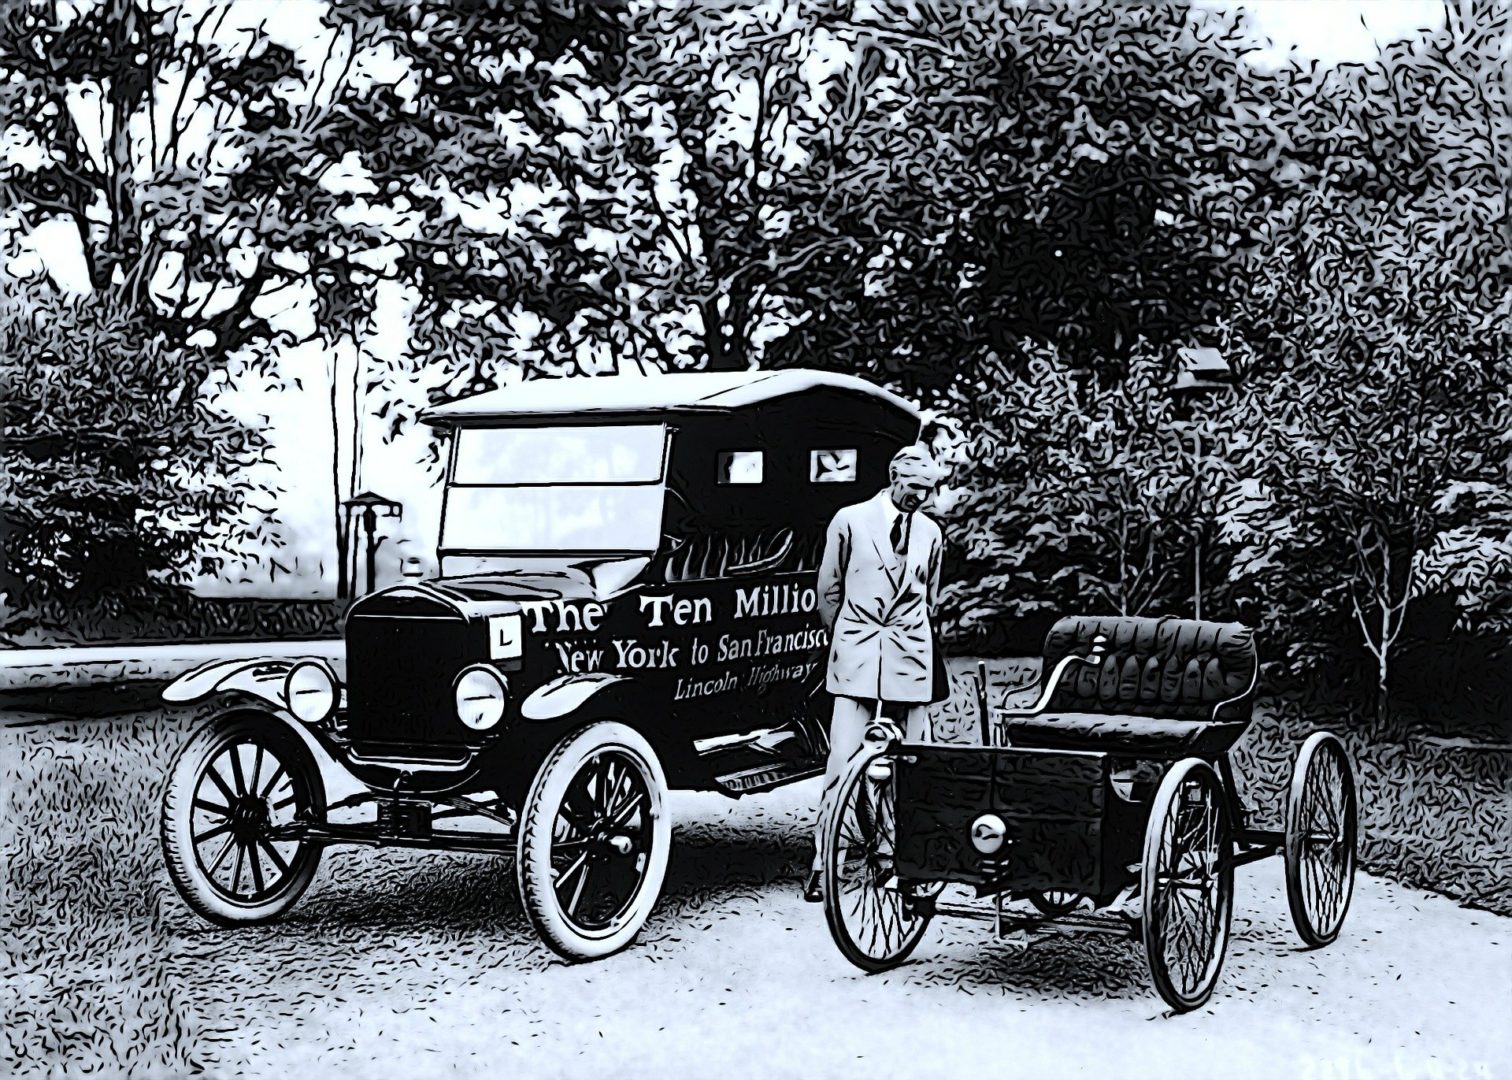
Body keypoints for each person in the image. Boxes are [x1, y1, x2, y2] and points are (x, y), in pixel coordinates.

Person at [804, 443, 949, 902]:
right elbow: (828, 590)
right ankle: (826, 864)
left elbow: (931, 598)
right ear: (893, 477)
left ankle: (893, 857)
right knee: (843, 761)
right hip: (858, 652)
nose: (920, 499)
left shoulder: (930, 532)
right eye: (913, 489)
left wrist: (916, 637)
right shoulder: (850, 520)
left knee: (907, 764)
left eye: (928, 491)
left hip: (912, 656)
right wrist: (849, 640)